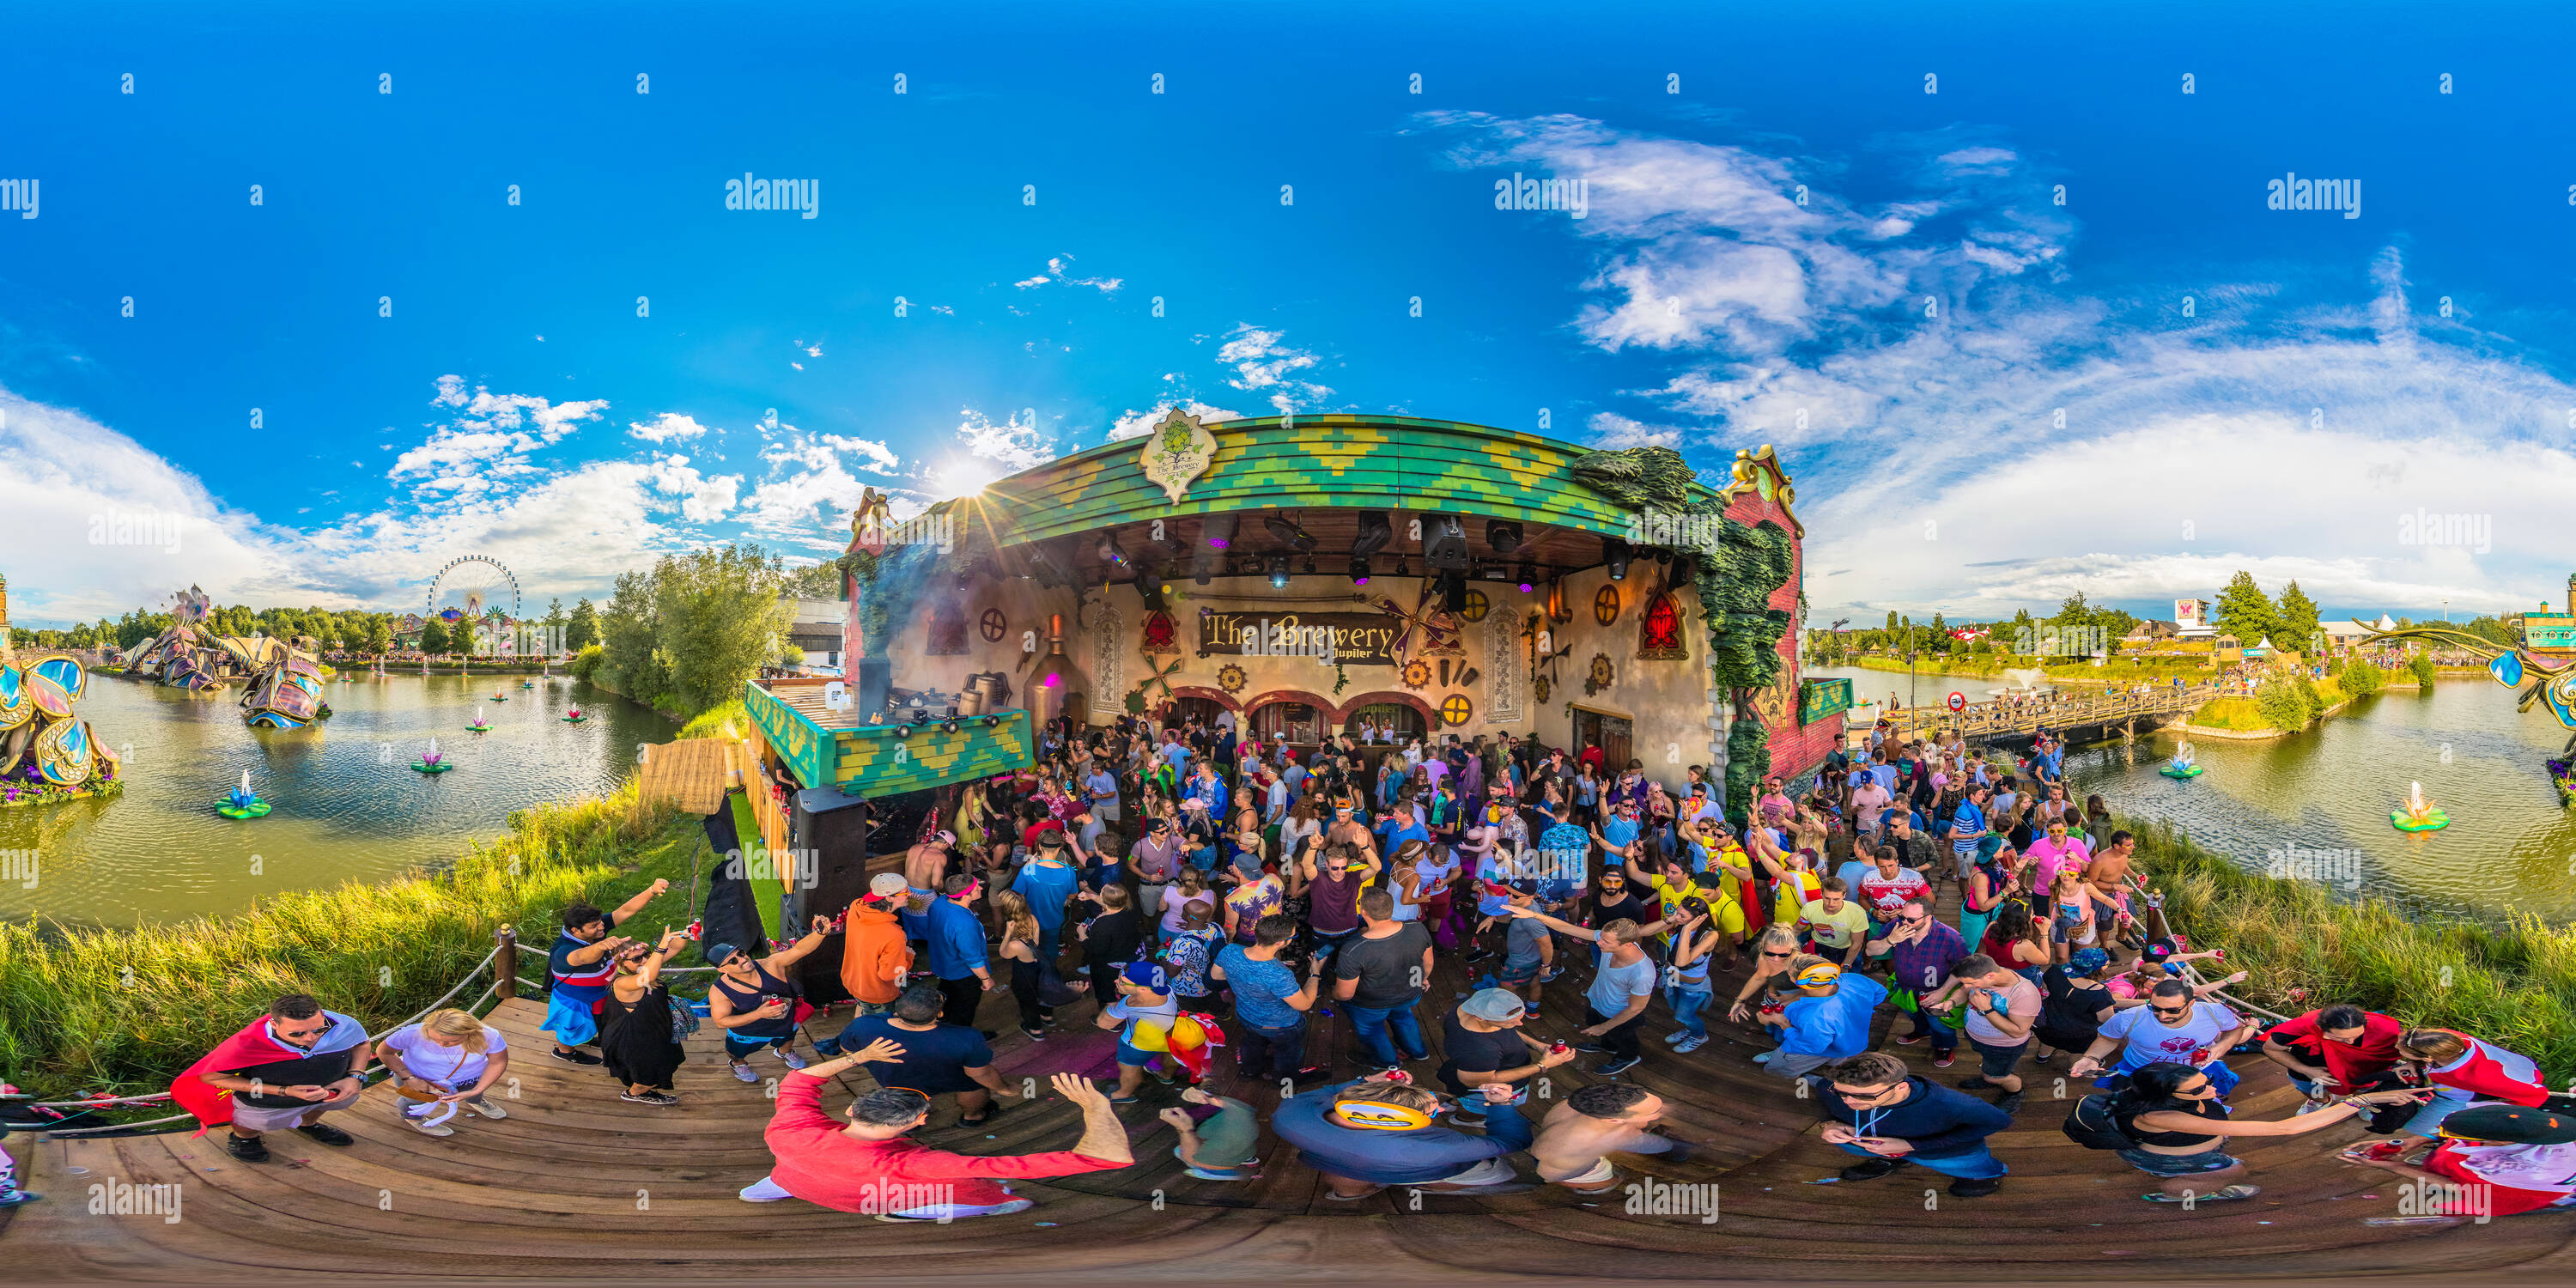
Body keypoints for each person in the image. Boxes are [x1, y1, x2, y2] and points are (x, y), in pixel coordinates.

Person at [743, 1052, 1131, 1219]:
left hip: (792, 1175)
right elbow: (1105, 1158)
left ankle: (762, 1190)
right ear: (913, 1125)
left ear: (851, 1110)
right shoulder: (917, 1164)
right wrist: (1096, 1109)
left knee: (776, 1181)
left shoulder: (791, 1127)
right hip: (868, 1199)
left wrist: (858, 1058)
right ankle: (997, 1204)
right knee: (976, 1194)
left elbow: (800, 1079)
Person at [2104, 1061, 2421, 1202]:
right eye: (2199, 1088)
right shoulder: (2160, 1116)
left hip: (2196, 1147)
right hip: (2179, 1158)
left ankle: (2185, 1181)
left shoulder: (2173, 1096)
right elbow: (2286, 1128)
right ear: (2167, 1097)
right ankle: (2179, 1192)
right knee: (2236, 1169)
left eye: (2206, 1081)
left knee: (2229, 1166)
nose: (2211, 1087)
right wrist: (2361, 1100)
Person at [171, 993, 373, 1163]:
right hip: (267, 1100)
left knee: (319, 1107)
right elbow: (211, 1077)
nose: (311, 1038)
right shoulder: (248, 1043)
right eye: (298, 1034)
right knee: (253, 1123)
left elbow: (361, 1044)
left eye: (319, 1029)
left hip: (331, 1090)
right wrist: (283, 1091)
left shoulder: (345, 1025)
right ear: (274, 1024)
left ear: (323, 1015)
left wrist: (354, 1077)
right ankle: (244, 1137)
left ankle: (308, 1124)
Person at [1268, 1074, 1533, 1200]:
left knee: (1346, 1177)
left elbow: (1328, 1091)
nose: (1437, 1109)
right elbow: (1511, 1143)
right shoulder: (1432, 1148)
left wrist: (1365, 1080)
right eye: (1431, 1111)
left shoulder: (1289, 1112)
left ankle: (1347, 1194)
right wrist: (1501, 1105)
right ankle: (1426, 1186)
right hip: (1408, 1168)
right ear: (1406, 1121)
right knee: (1496, 1173)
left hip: (1330, 1162)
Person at [1808, 1051, 2012, 1198]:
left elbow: (1999, 1122)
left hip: (1945, 1151)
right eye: (1841, 1093)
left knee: (1974, 1169)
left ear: (1901, 1087)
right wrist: (1829, 1124)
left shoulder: (1951, 1104)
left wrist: (1912, 1146)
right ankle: (1892, 1160)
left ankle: (1981, 1178)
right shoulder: (1832, 1088)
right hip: (1871, 1144)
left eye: (1864, 1096)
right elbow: (1827, 1106)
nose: (1849, 1102)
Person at [2341, 1103, 2576, 1217]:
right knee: (2450, 1157)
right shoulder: (2510, 1118)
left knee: (2457, 1189)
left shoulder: (2519, 1169)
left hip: (2536, 1184)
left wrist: (2393, 1167)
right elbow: (2456, 1129)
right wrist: (2415, 1141)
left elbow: (2464, 1188)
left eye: (2461, 1138)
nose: (2448, 1137)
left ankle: (2559, 1201)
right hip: (2509, 1157)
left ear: (2500, 1143)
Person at [544, 879, 672, 1064]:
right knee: (570, 1027)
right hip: (575, 999)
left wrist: (651, 889)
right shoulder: (563, 950)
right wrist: (601, 946)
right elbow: (582, 957)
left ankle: (588, 1037)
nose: (601, 927)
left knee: (595, 1021)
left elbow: (625, 911)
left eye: (600, 923)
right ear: (575, 930)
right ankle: (565, 1052)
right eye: (595, 926)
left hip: (600, 993)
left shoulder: (593, 928)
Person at [2069, 980, 2253, 1096]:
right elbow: (2108, 1038)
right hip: (2142, 1070)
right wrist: (2091, 1057)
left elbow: (2235, 1030)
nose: (2162, 1016)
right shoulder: (2129, 1017)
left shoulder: (2214, 1013)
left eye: (2172, 1010)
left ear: (2191, 1003)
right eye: (2155, 1008)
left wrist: (2221, 1047)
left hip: (2196, 1070)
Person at [705, 918, 833, 1083]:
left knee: (788, 1040)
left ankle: (784, 1052)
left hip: (784, 1022)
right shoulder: (719, 991)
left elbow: (800, 950)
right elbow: (721, 1022)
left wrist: (820, 933)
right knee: (737, 1053)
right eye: (733, 961)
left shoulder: (770, 964)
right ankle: (738, 1065)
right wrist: (759, 1013)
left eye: (741, 953)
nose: (743, 959)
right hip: (747, 1033)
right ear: (722, 970)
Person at [1212, 913, 1332, 1084]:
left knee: (1253, 1043)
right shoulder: (1280, 974)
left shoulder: (1230, 950)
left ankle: (1249, 1071)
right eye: (1292, 936)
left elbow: (1216, 975)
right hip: (1281, 1026)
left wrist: (1247, 978)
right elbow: (1304, 1004)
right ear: (1281, 943)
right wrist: (1315, 972)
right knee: (1287, 1054)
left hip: (1246, 1015)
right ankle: (1284, 1080)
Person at [1333, 886, 1437, 1072]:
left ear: (1363, 912)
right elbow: (1427, 964)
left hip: (1371, 1004)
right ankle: (1419, 1052)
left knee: (1372, 1030)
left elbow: (1345, 994)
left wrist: (1331, 990)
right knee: (1404, 1017)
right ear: (1391, 908)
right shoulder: (1417, 928)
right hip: (1410, 993)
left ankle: (1388, 1063)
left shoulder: (1354, 950)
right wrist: (1422, 979)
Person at [2391, 1027, 2560, 1141]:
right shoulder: (2442, 1039)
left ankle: (2445, 1146)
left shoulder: (2481, 1077)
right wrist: (2413, 1063)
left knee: (2421, 1129)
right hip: (2472, 1083)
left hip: (2476, 1095)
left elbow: (2535, 1094)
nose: (2397, 1050)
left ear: (2429, 1056)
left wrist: (2495, 1116)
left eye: (2401, 1051)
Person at [1920, 953, 2040, 1111]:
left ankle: (2014, 1092)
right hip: (1977, 1038)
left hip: (2003, 1047)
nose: (1969, 986)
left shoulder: (2025, 994)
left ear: (1990, 976)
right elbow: (1963, 991)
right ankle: (1990, 1077)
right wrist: (1951, 1002)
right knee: (1990, 1068)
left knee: (1999, 1075)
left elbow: (2018, 1031)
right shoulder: (1983, 976)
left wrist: (1987, 1008)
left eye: (1971, 983)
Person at [1437, 987, 1577, 1121]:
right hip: (1486, 1087)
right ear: (1480, 1018)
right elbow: (1477, 1082)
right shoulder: (1479, 1050)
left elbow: (1504, 1030)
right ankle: (1467, 1119)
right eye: (1511, 1022)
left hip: (1467, 1068)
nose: (1520, 1024)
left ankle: (1457, 1100)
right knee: (1477, 1109)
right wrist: (1542, 1065)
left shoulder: (1470, 1006)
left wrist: (1537, 1045)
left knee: (1461, 1095)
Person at [1529, 1082, 1693, 1193]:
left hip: (1549, 1152)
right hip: (1569, 1173)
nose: (1664, 1110)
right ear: (1614, 1120)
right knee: (1608, 1183)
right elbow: (1661, 1145)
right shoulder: (1614, 1136)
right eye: (1655, 1112)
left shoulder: (1571, 1106)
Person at [374, 1007, 510, 1138]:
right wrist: (409, 1078)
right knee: (413, 1101)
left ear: (470, 1032)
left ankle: (475, 1100)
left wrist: (476, 1090)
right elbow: (384, 1051)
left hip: (469, 1078)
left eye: (451, 1041)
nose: (441, 1045)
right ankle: (413, 1118)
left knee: (475, 1092)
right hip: (418, 1079)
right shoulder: (412, 1033)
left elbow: (497, 1062)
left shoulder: (489, 1036)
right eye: (434, 1039)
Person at [1869, 898, 1965, 1069]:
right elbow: (1870, 950)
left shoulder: (1950, 938)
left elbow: (1964, 969)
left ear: (1928, 918)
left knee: (1940, 1024)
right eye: (1902, 917)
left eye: (1911, 920)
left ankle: (1944, 1046)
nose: (1905, 923)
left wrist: (1943, 992)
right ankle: (1922, 1032)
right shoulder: (1895, 927)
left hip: (1935, 992)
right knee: (1913, 1015)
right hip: (1905, 988)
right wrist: (1890, 940)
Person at [599, 928, 690, 1104]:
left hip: (653, 1031)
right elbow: (648, 975)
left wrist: (682, 936)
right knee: (650, 1074)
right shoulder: (622, 983)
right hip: (635, 1040)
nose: (645, 960)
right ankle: (635, 1093)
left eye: (646, 955)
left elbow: (676, 948)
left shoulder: (644, 967)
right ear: (620, 964)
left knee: (663, 1063)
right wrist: (662, 946)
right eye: (637, 959)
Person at [1759, 960, 1886, 1080]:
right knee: (1836, 1057)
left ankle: (1783, 1077)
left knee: (1776, 1069)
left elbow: (1812, 1047)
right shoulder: (1851, 979)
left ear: (1802, 983)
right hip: (1851, 1043)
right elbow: (1880, 992)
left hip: (1811, 1048)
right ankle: (1832, 1063)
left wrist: (1783, 1023)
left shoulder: (1815, 1016)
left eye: (1790, 975)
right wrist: (1858, 1010)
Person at [2258, 1002, 2405, 1102]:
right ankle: (2320, 1102)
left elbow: (2411, 1048)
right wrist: (2306, 1070)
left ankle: (2364, 1103)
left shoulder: (2386, 1029)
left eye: (2357, 1036)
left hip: (2363, 1071)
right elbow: (2270, 1048)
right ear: (2322, 1030)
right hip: (2313, 1070)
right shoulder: (2301, 1027)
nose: (2351, 1043)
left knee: (2366, 1088)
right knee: (2315, 1092)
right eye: (2342, 1039)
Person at [1096, 961, 1187, 1103]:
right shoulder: (1166, 988)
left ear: (1143, 989)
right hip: (1169, 1034)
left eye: (1122, 981)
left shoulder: (1130, 1004)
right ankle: (1166, 1075)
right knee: (1171, 1052)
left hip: (1137, 1046)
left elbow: (1103, 1022)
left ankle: (1124, 1094)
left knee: (1129, 1069)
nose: (1116, 981)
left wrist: (1110, 1005)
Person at [926, 872, 999, 1030]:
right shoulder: (963, 924)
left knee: (947, 999)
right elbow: (972, 958)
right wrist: (986, 979)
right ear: (966, 895)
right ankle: (962, 1036)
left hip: (943, 963)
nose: (980, 888)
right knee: (964, 1009)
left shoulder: (939, 903)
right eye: (976, 887)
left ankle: (941, 1026)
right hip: (962, 973)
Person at [839, 872, 914, 1020]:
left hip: (855, 979)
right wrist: (908, 956)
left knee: (861, 1011)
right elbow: (888, 974)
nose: (910, 893)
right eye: (905, 892)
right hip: (876, 993)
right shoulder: (893, 934)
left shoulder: (857, 906)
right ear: (889, 898)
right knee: (875, 1032)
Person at [1160, 1087, 1262, 1181]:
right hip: (1241, 1146)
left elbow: (1193, 1157)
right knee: (1183, 1149)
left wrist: (1184, 1129)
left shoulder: (1232, 1129)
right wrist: (1198, 1093)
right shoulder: (1240, 1110)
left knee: (1186, 1153)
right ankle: (1247, 1158)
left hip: (1224, 1153)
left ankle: (1223, 1173)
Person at [1795, 878, 1869, 968]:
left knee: (1848, 978)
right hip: (1818, 946)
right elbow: (1797, 929)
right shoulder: (1809, 908)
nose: (1831, 903)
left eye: (1836, 899)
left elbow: (1857, 944)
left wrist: (1846, 965)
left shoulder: (1857, 912)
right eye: (1827, 898)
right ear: (1821, 894)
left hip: (1846, 950)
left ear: (1844, 895)